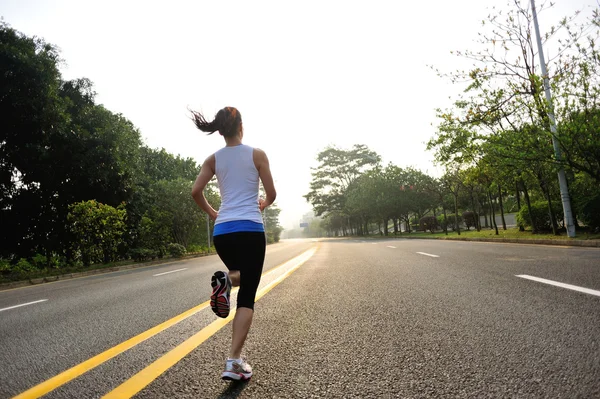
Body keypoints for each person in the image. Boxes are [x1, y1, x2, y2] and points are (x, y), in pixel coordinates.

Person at [190, 106, 276, 381]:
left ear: (220, 130)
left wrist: (215, 214)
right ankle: (234, 362)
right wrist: (264, 203)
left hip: (223, 231)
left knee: (240, 275)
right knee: (248, 294)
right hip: (250, 229)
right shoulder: (257, 154)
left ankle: (226, 281)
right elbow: (271, 194)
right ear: (241, 127)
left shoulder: (213, 159)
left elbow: (195, 191)